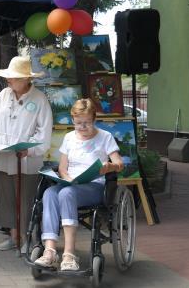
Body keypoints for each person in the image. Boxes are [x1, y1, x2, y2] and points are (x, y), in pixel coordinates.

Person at [34, 98, 124, 271]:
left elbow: (119, 164)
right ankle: (50, 251)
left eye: (87, 123)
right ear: (73, 120)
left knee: (66, 194)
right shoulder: (69, 138)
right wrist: (67, 178)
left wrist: (109, 166)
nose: (82, 127)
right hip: (71, 184)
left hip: (95, 186)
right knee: (49, 193)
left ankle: (69, 254)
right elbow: (62, 167)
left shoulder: (105, 137)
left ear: (94, 119)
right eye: (78, 123)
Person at [0, 56, 53, 253]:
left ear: (26, 79)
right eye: (9, 77)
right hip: (3, 158)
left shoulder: (39, 99)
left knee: (26, 199)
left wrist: (29, 149)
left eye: (14, 77)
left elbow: (44, 132)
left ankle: (26, 238)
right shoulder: (3, 95)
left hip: (27, 161)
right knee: (5, 199)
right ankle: (13, 236)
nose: (9, 80)